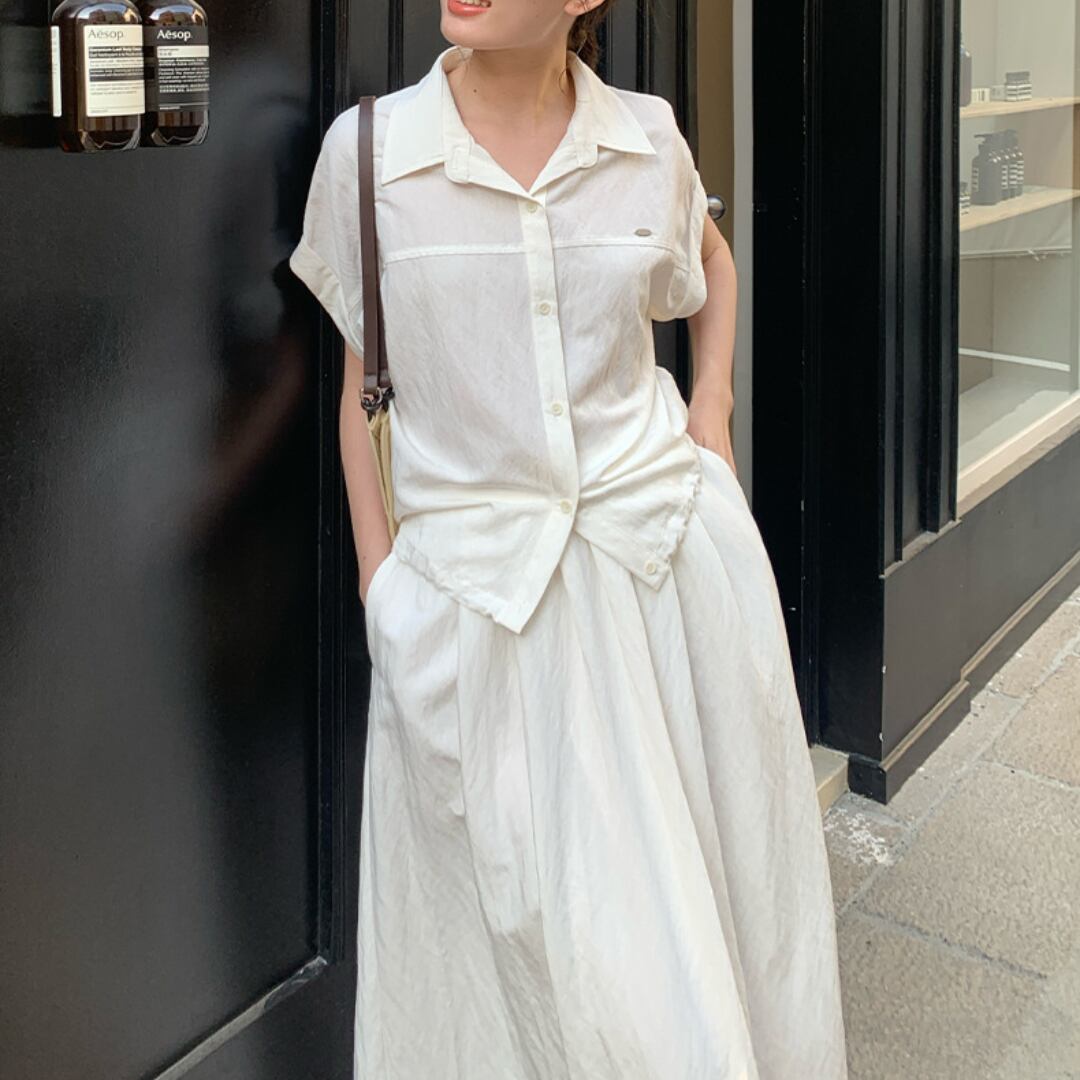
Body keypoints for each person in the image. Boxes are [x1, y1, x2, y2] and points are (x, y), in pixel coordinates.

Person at [288, 2, 850, 1077]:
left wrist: (713, 411)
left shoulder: (646, 138)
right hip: (477, 613)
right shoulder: (369, 156)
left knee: (679, 961)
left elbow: (711, 265)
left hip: (660, 586)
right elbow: (364, 383)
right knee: (503, 975)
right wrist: (380, 585)